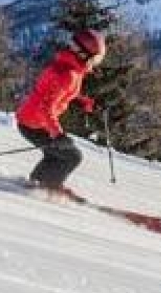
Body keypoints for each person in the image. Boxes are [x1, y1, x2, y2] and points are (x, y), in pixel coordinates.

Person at [15, 29, 106, 192]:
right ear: (83, 54)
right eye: (96, 58)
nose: (96, 62)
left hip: (35, 120)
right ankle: (51, 186)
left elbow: (65, 94)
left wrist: (87, 103)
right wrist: (57, 134)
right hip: (33, 124)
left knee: (57, 154)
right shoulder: (68, 74)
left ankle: (39, 181)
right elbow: (46, 106)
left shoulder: (72, 68)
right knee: (73, 156)